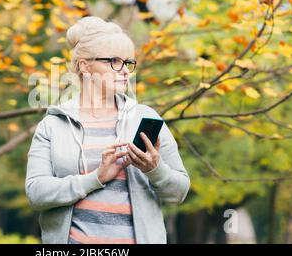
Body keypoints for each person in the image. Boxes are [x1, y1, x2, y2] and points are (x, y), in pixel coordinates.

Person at [25, 16, 190, 244]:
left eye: (128, 63)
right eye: (113, 61)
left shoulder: (145, 117)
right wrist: (95, 178)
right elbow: (36, 193)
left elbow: (179, 191)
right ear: (84, 66)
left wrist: (155, 169)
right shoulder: (53, 124)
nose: (124, 71)